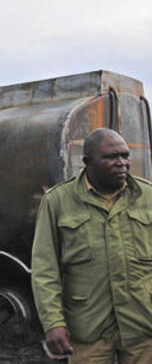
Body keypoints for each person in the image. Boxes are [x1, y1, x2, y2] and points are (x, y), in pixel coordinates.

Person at [32, 128, 152, 363]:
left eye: (125, 156)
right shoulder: (58, 202)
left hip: (143, 326)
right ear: (87, 162)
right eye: (111, 157)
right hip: (89, 329)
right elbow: (45, 269)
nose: (122, 163)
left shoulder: (147, 196)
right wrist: (53, 323)